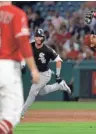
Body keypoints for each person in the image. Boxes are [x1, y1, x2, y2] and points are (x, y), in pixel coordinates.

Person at [0, 2, 40, 134]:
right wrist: (33, 69)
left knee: (3, 116)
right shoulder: (16, 13)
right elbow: (23, 43)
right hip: (6, 66)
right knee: (12, 115)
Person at [21, 29, 71, 118]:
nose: (38, 38)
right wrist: (23, 65)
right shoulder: (30, 46)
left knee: (33, 91)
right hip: (36, 73)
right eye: (36, 36)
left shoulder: (47, 50)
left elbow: (59, 61)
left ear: (43, 38)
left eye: (40, 36)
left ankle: (22, 112)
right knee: (42, 92)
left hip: (44, 74)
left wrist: (58, 75)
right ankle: (59, 86)